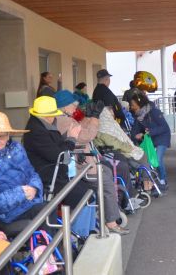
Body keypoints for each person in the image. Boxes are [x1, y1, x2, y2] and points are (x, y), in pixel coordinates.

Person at [54, 90, 129, 234]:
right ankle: (111, 222)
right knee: (105, 182)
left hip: (86, 160)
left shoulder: (70, 115)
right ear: (64, 106)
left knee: (106, 172)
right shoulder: (63, 120)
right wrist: (94, 117)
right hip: (80, 164)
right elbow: (87, 135)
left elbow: (84, 123)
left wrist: (88, 115)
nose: (76, 108)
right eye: (73, 105)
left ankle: (110, 214)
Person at [130, 93, 171, 190]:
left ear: (139, 103)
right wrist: (134, 137)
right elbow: (134, 131)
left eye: (132, 104)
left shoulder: (154, 112)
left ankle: (163, 180)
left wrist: (148, 133)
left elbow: (164, 127)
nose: (131, 107)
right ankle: (152, 181)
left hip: (162, 137)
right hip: (150, 140)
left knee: (157, 159)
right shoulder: (138, 116)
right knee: (149, 160)